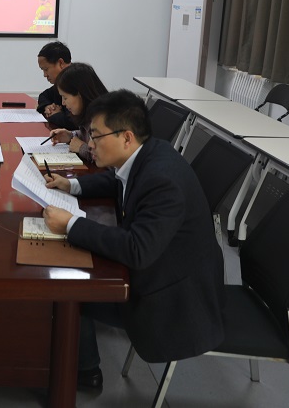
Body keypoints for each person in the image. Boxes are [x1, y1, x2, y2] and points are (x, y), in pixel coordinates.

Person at [42, 89, 225, 390]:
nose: (89, 144)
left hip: (173, 300)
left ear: (126, 137)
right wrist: (72, 186)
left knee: (68, 290)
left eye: (96, 136)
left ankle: (85, 374)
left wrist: (71, 224)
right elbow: (118, 181)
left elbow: (137, 250)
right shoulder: (149, 152)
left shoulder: (162, 180)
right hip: (167, 269)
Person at [47, 62, 108, 162]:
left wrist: (82, 148)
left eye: (65, 97)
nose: (63, 103)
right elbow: (88, 135)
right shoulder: (89, 114)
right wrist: (70, 136)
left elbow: (106, 157)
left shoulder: (105, 120)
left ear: (80, 94)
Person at [36, 41, 77, 130]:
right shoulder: (62, 81)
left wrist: (54, 115)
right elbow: (44, 95)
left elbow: (74, 122)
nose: (45, 75)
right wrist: (48, 107)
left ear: (60, 63)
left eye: (46, 69)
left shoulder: (78, 80)